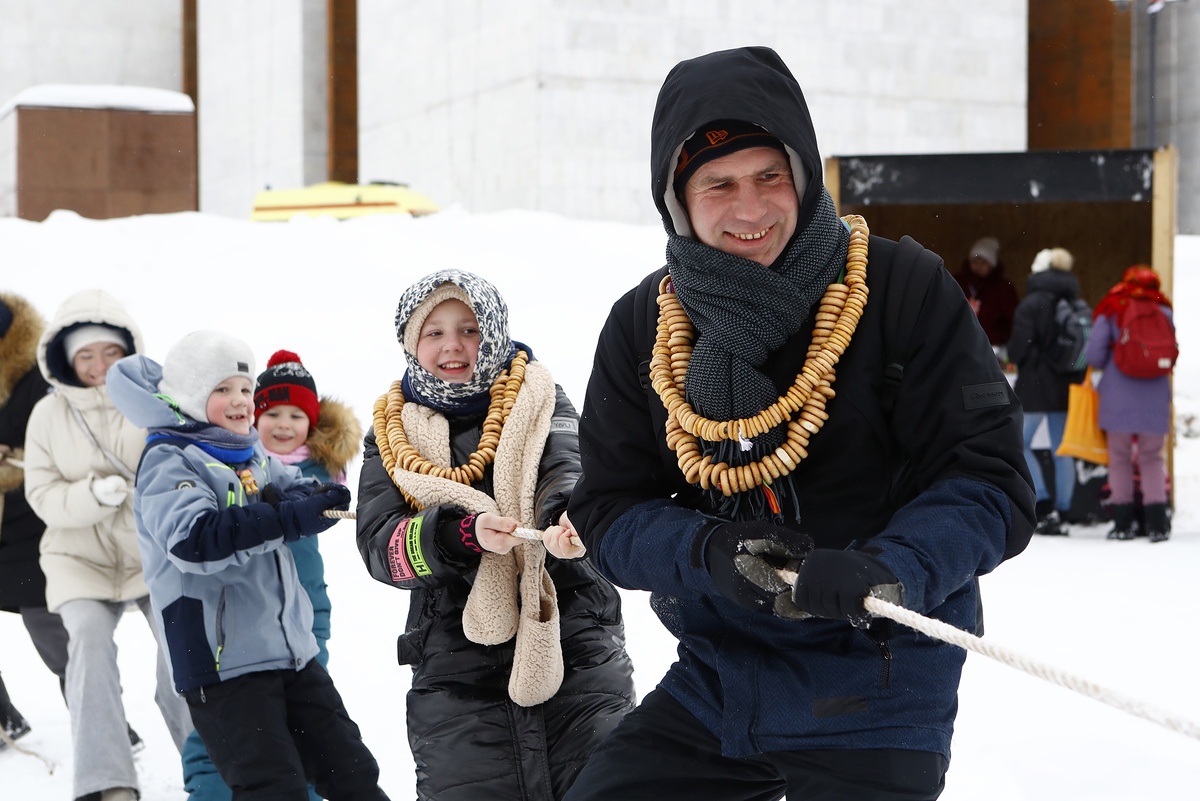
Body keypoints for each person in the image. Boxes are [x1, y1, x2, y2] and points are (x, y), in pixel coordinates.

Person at [563, 46, 1035, 801]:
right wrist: (709, 552)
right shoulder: (643, 326)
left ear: (804, 174)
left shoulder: (901, 290)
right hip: (722, 680)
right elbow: (609, 511)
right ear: (676, 199)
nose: (750, 210)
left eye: (769, 177)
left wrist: (890, 566)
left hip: (878, 678)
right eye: (719, 184)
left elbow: (990, 483)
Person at [356, 269, 636, 801]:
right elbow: (380, 546)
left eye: (470, 329)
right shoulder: (390, 434)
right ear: (411, 342)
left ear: (495, 334)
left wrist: (564, 519)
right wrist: (460, 535)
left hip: (574, 640)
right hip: (454, 668)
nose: (453, 345)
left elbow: (569, 469)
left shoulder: (542, 397)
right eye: (434, 332)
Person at [106, 330, 389, 801]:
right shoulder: (169, 461)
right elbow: (196, 539)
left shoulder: (246, 450)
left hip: (290, 652)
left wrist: (316, 497)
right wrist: (285, 517)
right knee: (273, 788)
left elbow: (294, 484)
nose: (240, 400)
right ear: (191, 395)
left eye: (244, 387)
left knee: (351, 770)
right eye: (222, 389)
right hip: (223, 664)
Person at [23, 289, 191, 801]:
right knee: (88, 648)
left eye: (111, 352)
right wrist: (92, 495)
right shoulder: (46, 415)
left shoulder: (152, 399)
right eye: (86, 355)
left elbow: (185, 462)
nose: (99, 365)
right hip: (79, 560)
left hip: (153, 554)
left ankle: (207, 765)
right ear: (65, 360)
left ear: (129, 351)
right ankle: (107, 782)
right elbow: (42, 495)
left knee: (183, 650)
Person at [179, 349, 364, 801]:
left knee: (308, 724)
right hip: (234, 625)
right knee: (227, 728)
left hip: (304, 618)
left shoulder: (317, 476)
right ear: (254, 416)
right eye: (273, 413)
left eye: (296, 416)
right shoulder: (230, 464)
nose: (283, 425)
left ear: (312, 424)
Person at [0, 292, 70, 724]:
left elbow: (65, 443)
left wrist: (15, 457)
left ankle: (106, 725)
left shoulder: (41, 379)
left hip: (32, 526)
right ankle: (4, 721)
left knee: (51, 633)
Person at [1086, 265, 1174, 542]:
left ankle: (1123, 523)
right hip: (1156, 393)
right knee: (1152, 458)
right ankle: (1157, 523)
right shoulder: (1164, 309)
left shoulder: (1113, 306)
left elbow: (1094, 354)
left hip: (1118, 392)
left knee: (1120, 459)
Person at [1007, 247, 1083, 536]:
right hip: (1065, 385)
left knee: (1018, 444)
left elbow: (1018, 348)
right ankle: (1064, 509)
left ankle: (1043, 503)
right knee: (1063, 449)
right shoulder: (1074, 301)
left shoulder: (1032, 303)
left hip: (1035, 385)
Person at [953, 236, 1019, 354]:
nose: (978, 266)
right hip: (961, 345)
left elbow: (1011, 320)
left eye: (983, 262)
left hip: (993, 347)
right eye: (974, 261)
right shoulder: (959, 284)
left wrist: (1002, 340)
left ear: (992, 264)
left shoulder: (1003, 288)